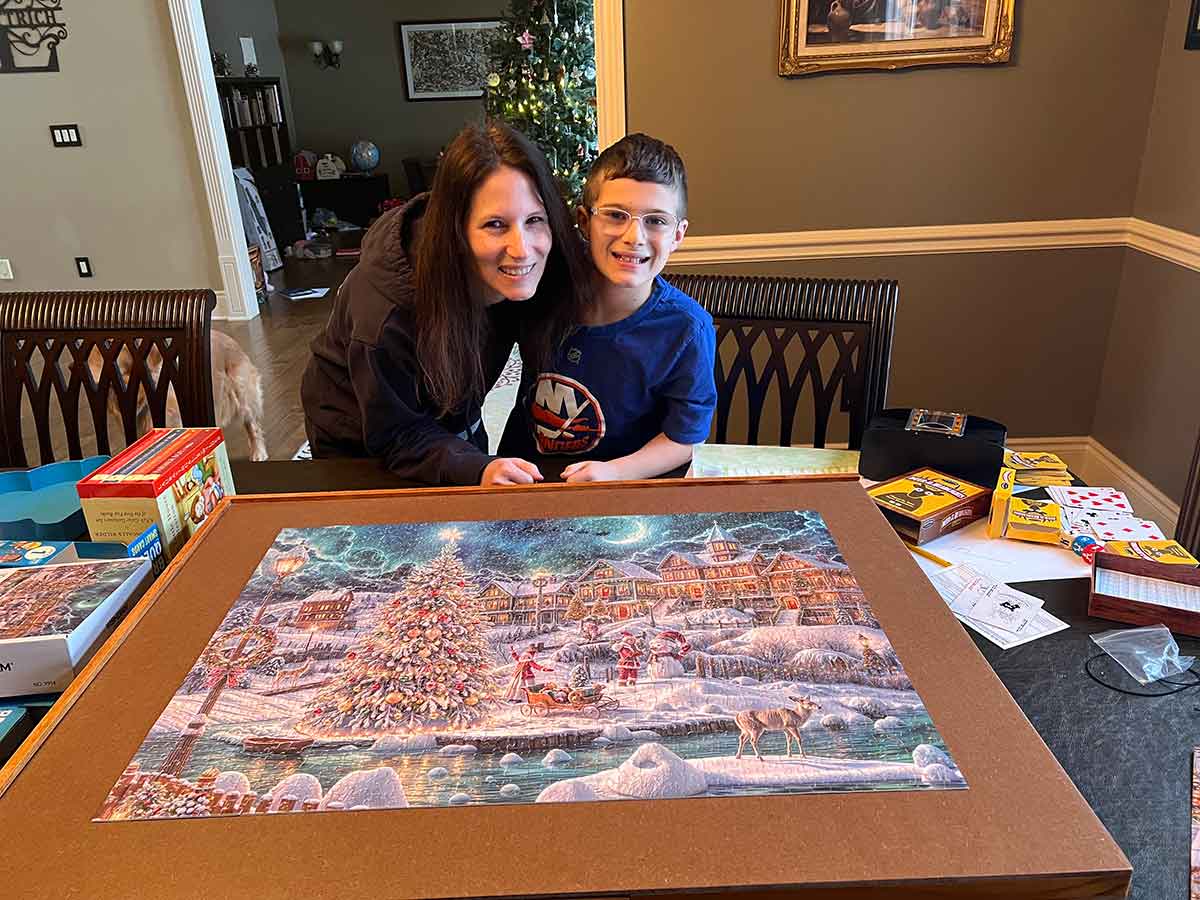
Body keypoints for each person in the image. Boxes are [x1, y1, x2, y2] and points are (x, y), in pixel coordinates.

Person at [301, 122, 590, 486]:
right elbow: (397, 436)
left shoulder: (536, 260)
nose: (522, 249)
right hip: (361, 440)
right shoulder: (385, 317)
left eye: (535, 220)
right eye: (496, 225)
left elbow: (599, 273)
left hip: (452, 407)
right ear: (456, 231)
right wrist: (477, 468)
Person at [499, 133, 717, 481]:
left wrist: (615, 472)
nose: (634, 236)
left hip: (628, 488)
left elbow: (684, 437)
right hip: (527, 478)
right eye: (615, 215)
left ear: (678, 234)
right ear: (585, 221)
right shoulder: (540, 290)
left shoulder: (687, 329)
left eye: (656, 220)